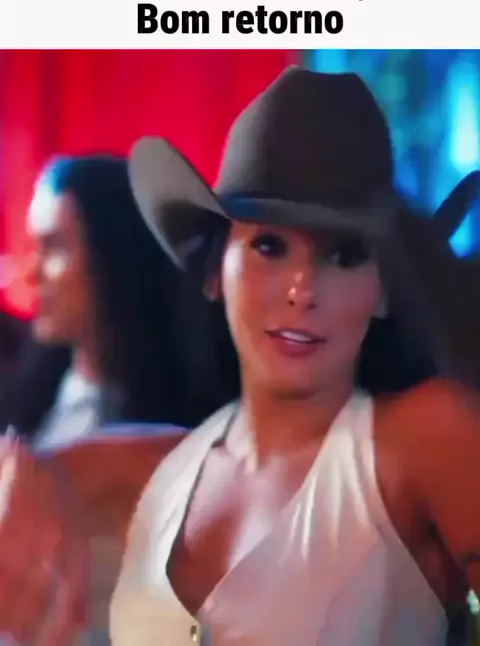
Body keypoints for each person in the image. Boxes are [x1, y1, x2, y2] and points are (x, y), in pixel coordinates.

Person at [0, 67, 479, 645]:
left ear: (380, 290)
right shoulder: (167, 465)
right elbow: (41, 466)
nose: (302, 289)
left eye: (344, 255)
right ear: (214, 273)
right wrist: (18, 476)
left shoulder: (425, 436)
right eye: (269, 246)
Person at [11, 154, 198, 447]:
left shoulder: (181, 427)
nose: (32, 273)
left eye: (54, 246)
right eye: (35, 246)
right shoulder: (24, 394)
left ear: (113, 255)